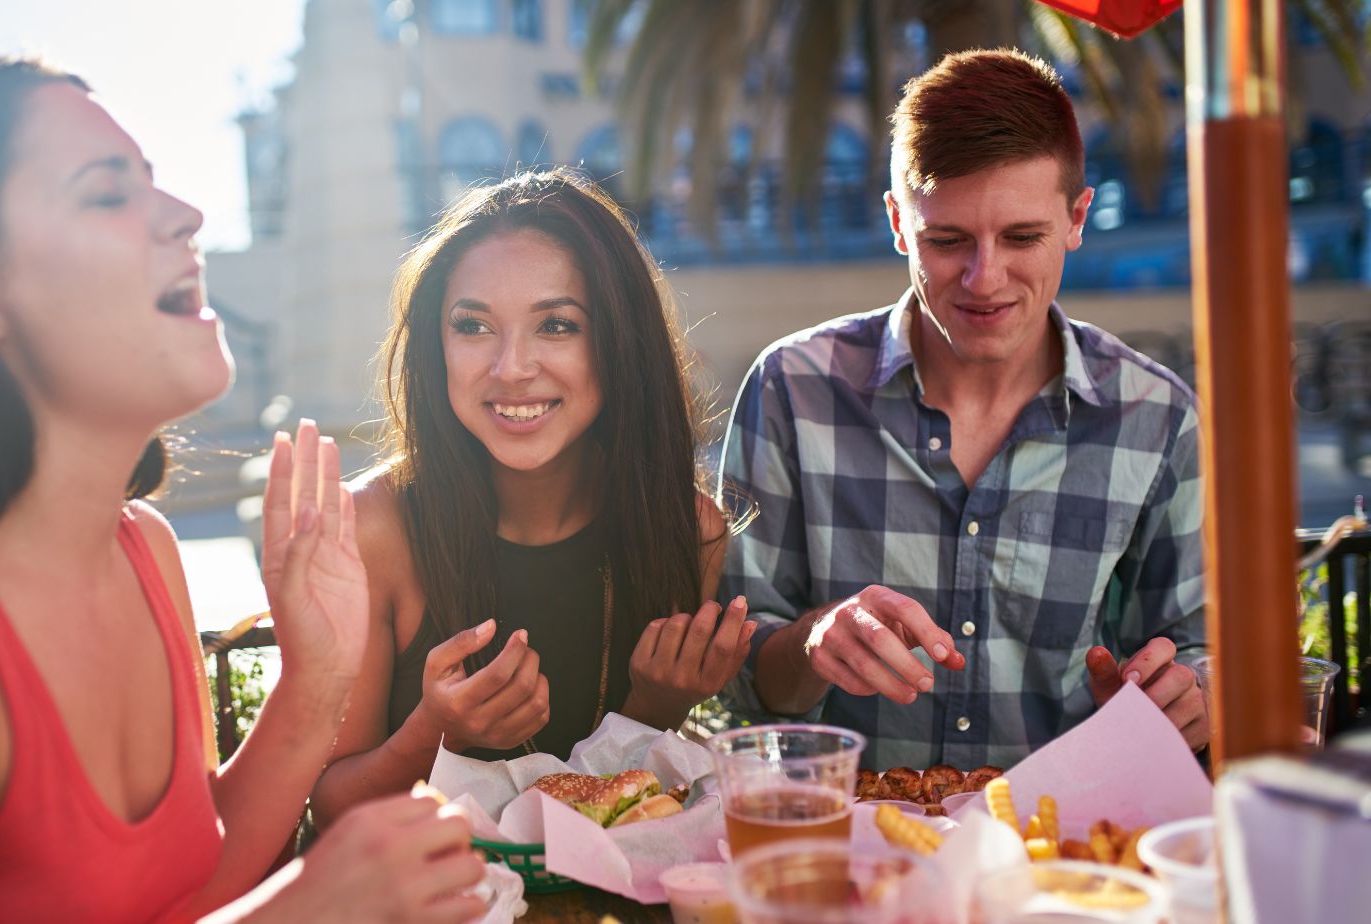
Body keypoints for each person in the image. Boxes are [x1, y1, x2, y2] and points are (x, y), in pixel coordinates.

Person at [0, 58, 483, 923]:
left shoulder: (143, 550)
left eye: (155, 185)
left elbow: (186, 886)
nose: (187, 216)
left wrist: (317, 679)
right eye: (105, 193)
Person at [719, 49, 1207, 772]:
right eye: (946, 241)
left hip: (1067, 856)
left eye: (1022, 237)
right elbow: (743, 681)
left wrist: (1192, 692)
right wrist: (815, 642)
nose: (985, 279)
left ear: (1077, 218)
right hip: (854, 855)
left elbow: (1197, 648)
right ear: (896, 222)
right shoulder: (790, 389)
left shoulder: (1157, 416)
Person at [310, 169, 752, 821]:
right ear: (437, 344)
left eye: (556, 326)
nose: (512, 367)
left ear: (618, 343)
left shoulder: (687, 530)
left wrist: (654, 711)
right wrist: (437, 733)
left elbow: (615, 809)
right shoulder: (369, 528)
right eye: (473, 326)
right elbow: (325, 808)